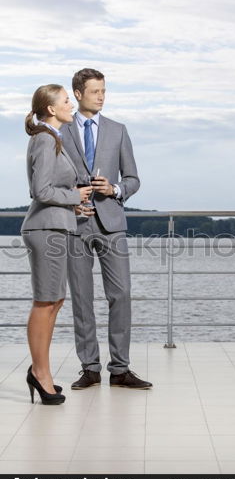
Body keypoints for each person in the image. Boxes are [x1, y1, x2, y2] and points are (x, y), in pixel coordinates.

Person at [61, 68, 152, 389]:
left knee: (122, 294)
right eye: (95, 91)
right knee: (82, 299)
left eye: (103, 90)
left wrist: (114, 188)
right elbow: (51, 178)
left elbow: (133, 179)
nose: (101, 96)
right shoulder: (61, 130)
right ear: (78, 93)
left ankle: (120, 369)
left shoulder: (118, 130)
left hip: (112, 224)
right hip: (74, 225)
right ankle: (89, 367)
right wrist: (70, 200)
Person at [21, 84, 92, 405]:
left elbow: (51, 191)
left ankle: (41, 371)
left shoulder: (53, 139)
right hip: (45, 229)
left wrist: (73, 206)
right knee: (46, 302)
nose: (71, 105)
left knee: (54, 301)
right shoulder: (44, 140)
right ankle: (40, 374)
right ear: (51, 109)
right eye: (66, 101)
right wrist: (74, 196)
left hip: (56, 226)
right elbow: (40, 190)